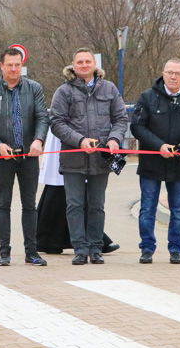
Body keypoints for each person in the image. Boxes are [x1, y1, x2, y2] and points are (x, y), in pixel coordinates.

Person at [49, 48, 128, 265]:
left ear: (94, 64)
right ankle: (80, 249)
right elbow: (56, 122)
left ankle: (96, 248)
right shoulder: (63, 92)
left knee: (96, 205)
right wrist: (79, 141)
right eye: (80, 62)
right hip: (73, 157)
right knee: (74, 204)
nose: (84, 65)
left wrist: (114, 139)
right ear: (73, 66)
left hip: (101, 158)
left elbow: (121, 118)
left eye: (87, 61)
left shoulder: (109, 89)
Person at [0, 47, 50, 266]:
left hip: (28, 155)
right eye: (10, 65)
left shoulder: (34, 88)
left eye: (18, 65)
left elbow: (42, 117)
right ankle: (4, 252)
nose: (14, 69)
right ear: (1, 66)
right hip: (3, 157)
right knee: (3, 204)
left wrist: (38, 140)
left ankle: (32, 252)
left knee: (30, 205)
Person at [130, 58, 180, 264]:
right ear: (162, 73)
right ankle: (147, 248)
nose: (173, 76)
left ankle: (176, 249)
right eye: (169, 72)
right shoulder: (147, 97)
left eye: (178, 73)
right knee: (147, 208)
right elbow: (137, 127)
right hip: (151, 163)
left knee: (178, 209)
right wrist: (159, 146)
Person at [35, 131, 120, 255]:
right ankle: (54, 239)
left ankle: (54, 239)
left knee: (77, 193)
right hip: (68, 136)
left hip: (84, 135)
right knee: (65, 191)